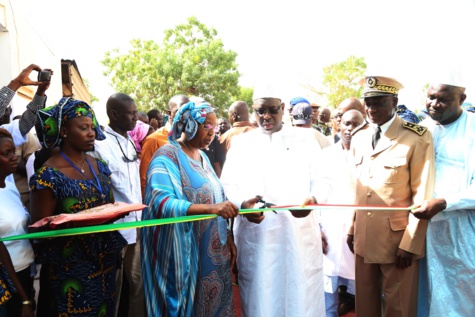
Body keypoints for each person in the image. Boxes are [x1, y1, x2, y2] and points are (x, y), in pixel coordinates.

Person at [221, 91, 325, 316]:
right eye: (260, 111)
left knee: (300, 295)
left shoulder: (306, 140)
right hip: (257, 236)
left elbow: (323, 180)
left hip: (298, 235)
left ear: (283, 108)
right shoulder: (241, 143)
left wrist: (312, 201)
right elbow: (228, 184)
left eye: (271, 110)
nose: (265, 116)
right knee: (261, 294)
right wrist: (243, 206)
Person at [30, 98, 127, 317]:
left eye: (92, 128)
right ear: (64, 130)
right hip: (70, 266)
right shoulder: (48, 175)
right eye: (83, 128)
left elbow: (108, 206)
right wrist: (75, 221)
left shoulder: (99, 167)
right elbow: (39, 229)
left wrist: (114, 215)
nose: (91, 133)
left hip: (104, 261)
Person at [347, 76, 435, 317]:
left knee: (400, 307)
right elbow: (356, 189)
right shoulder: (359, 136)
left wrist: (411, 242)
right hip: (364, 237)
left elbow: (422, 193)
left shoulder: (416, 136)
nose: (371, 109)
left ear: (394, 101)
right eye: (368, 102)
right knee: (365, 305)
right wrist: (351, 228)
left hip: (398, 241)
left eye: (379, 102)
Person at [141, 101, 238, 316]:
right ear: (189, 125)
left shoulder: (201, 155)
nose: (212, 132)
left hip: (213, 253)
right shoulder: (166, 157)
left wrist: (228, 236)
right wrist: (211, 209)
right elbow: (161, 202)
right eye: (206, 125)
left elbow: (217, 196)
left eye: (214, 126)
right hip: (185, 255)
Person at [412, 80, 475, 316]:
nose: (434, 104)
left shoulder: (473, 128)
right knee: (422, 294)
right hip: (422, 229)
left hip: (460, 232)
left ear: (461, 99)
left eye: (443, 99)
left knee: (460, 296)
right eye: (430, 97)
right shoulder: (422, 129)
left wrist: (446, 203)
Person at [90, 93, 146, 317]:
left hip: (136, 226)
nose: (136, 118)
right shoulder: (99, 144)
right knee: (111, 288)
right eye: (131, 113)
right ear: (114, 114)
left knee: (137, 283)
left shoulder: (129, 140)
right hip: (114, 230)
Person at [316, 109, 364, 317]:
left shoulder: (371, 155)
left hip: (359, 233)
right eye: (346, 123)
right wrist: (316, 227)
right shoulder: (325, 155)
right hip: (331, 231)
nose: (350, 129)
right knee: (328, 290)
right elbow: (316, 192)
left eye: (356, 124)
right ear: (338, 125)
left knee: (365, 290)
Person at [0, 128, 35, 317]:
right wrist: (24, 298)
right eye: (6, 154)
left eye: (13, 151)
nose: (14, 157)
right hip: (7, 280)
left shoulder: (9, 186)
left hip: (25, 270)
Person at [140, 95, 189, 197]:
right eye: (180, 111)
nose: (185, 115)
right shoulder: (154, 140)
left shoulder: (190, 140)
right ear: (169, 113)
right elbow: (144, 178)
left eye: (188, 111)